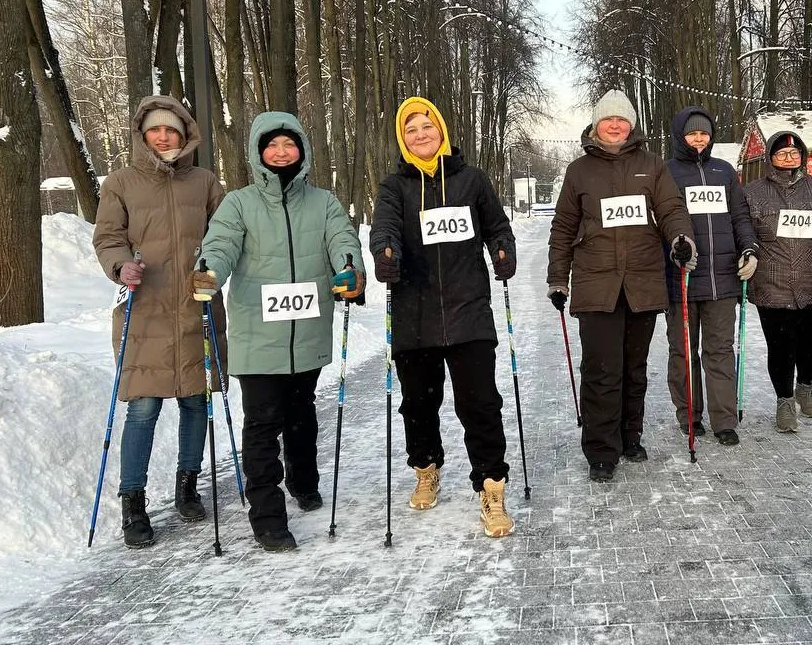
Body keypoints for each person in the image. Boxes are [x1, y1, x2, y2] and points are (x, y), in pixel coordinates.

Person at [194, 112, 364, 551]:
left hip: (307, 327)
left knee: (302, 412)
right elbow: (221, 244)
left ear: (302, 151)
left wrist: (349, 267)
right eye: (273, 145)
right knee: (263, 422)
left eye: (290, 144)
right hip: (258, 330)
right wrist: (209, 270)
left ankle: (303, 480)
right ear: (258, 152)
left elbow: (341, 239)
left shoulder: (322, 201)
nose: (282, 152)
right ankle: (267, 516)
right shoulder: (239, 203)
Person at [370, 97, 516, 538]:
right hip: (415, 314)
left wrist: (503, 250)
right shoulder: (394, 187)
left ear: (442, 131)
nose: (421, 135)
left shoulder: (472, 180)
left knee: (480, 404)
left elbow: (496, 226)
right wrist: (385, 253)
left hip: (468, 309)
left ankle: (491, 487)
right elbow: (385, 227)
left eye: (427, 127)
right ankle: (426, 467)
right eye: (411, 129)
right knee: (418, 404)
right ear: (403, 138)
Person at [93, 96, 227, 549]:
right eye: (155, 130)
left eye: (172, 129)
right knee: (144, 406)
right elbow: (108, 237)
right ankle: (133, 500)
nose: (164, 136)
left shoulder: (205, 181)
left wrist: (215, 269)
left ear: (185, 133)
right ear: (142, 134)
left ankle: (187, 485)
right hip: (144, 309)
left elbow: (224, 235)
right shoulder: (120, 183)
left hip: (197, 303)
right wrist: (119, 266)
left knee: (195, 400)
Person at [547, 90, 696, 481]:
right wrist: (557, 278)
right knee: (601, 370)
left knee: (634, 368)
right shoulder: (579, 171)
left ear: (631, 125)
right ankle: (601, 450)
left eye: (622, 119)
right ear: (597, 125)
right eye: (607, 119)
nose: (615, 125)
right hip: (596, 285)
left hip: (643, 282)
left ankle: (630, 436)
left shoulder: (653, 166)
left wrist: (681, 238)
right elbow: (563, 227)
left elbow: (671, 210)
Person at [661, 106, 759, 446]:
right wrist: (673, 253)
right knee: (684, 352)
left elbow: (740, 217)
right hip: (682, 280)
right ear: (679, 136)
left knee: (720, 350)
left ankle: (724, 420)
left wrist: (749, 249)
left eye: (704, 132)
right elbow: (659, 221)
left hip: (722, 280)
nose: (699, 138)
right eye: (692, 133)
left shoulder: (725, 172)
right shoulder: (667, 172)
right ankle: (690, 413)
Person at [744, 130, 812, 432]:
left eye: (794, 153)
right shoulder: (752, 192)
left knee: (811, 345)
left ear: (803, 156)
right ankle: (784, 401)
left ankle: (805, 387)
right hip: (771, 282)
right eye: (782, 154)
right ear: (770, 157)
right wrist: (747, 251)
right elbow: (743, 228)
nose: (789, 158)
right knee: (780, 348)